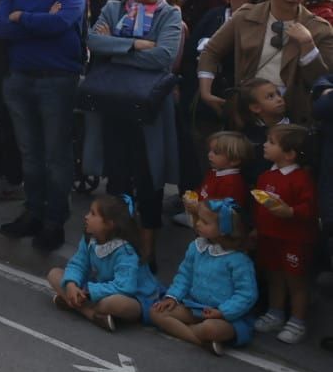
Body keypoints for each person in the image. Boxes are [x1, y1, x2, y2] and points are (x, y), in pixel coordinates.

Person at [0, 0, 87, 252]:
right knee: (30, 152)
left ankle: (54, 219)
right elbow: (0, 26)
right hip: (19, 77)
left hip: (57, 79)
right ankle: (33, 211)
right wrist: (40, 19)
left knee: (55, 154)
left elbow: (63, 24)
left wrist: (24, 18)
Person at [85, 0, 183, 263]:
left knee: (148, 177)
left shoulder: (170, 13)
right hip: (115, 103)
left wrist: (115, 49)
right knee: (117, 176)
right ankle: (116, 243)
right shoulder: (114, 8)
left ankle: (148, 247)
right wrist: (134, 45)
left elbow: (163, 57)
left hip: (149, 106)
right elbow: (92, 41)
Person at [197, 0, 333, 127]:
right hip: (248, 112)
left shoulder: (319, 28)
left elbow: (323, 81)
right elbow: (211, 51)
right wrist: (205, 92)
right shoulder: (245, 15)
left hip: (294, 118)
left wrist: (308, 45)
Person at [153, 198, 257, 355]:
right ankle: (200, 340)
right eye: (198, 219)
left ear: (224, 229)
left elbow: (247, 294)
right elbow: (184, 276)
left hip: (224, 317)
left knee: (211, 329)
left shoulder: (238, 260)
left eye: (205, 222)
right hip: (194, 306)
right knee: (156, 312)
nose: (198, 224)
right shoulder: (197, 247)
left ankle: (189, 332)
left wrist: (222, 312)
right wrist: (172, 297)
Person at [47, 193, 161, 332]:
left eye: (93, 214)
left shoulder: (125, 250)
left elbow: (125, 287)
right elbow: (78, 264)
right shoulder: (90, 238)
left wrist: (90, 292)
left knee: (115, 303)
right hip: (100, 289)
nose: (86, 216)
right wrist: (71, 284)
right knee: (54, 274)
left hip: (134, 296)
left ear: (109, 224)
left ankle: (72, 303)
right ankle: (92, 314)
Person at [251, 123, 317, 344]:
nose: (265, 145)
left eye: (271, 142)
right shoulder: (266, 175)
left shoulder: (300, 179)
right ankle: (275, 313)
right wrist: (255, 229)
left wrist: (291, 211)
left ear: (289, 154)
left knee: (296, 281)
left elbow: (310, 208)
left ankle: (298, 321)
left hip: (293, 240)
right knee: (274, 277)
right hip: (269, 237)